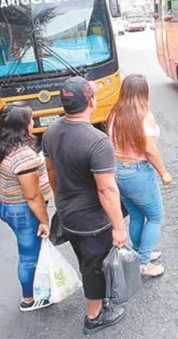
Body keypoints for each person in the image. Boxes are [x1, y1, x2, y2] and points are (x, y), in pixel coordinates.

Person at [42, 77, 128, 335]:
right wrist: (118, 227)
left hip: (68, 214)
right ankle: (94, 316)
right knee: (93, 266)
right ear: (91, 101)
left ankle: (100, 301)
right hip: (91, 220)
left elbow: (51, 171)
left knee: (87, 259)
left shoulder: (51, 132)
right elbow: (106, 188)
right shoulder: (97, 141)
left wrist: (62, 197)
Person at [0, 102, 53, 312]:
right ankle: (29, 299)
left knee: (28, 253)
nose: (32, 123)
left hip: (5, 204)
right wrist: (44, 220)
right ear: (22, 125)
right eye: (30, 120)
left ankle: (36, 291)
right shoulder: (22, 156)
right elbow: (33, 195)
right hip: (23, 211)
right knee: (28, 257)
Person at [107, 74, 171, 277]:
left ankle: (140, 252)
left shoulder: (114, 113)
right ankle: (143, 263)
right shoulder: (143, 116)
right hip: (137, 172)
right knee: (155, 216)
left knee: (136, 215)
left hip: (118, 171)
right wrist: (164, 173)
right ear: (144, 92)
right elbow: (150, 150)